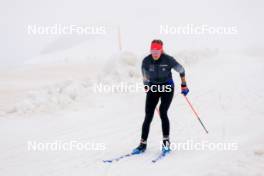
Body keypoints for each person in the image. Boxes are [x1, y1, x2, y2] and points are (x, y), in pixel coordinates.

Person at [132, 39, 189, 154]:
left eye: (157, 52)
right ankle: (142, 144)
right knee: (148, 115)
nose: (155, 54)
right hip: (153, 87)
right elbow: (145, 76)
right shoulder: (146, 61)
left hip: (167, 87)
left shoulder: (168, 59)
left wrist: (183, 84)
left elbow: (181, 70)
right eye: (153, 51)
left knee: (163, 112)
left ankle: (166, 144)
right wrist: (147, 87)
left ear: (161, 50)